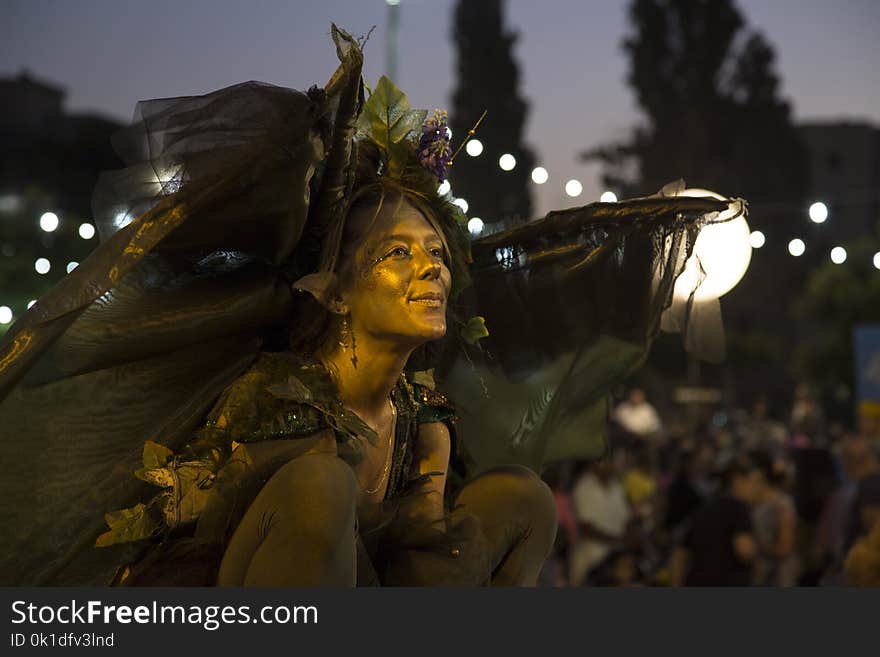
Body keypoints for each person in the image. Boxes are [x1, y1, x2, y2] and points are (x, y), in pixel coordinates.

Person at [0, 26, 744, 586]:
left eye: (437, 254)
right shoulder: (279, 394)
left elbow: (421, 544)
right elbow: (223, 526)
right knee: (323, 485)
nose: (433, 270)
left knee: (520, 495)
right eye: (398, 253)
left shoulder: (424, 410)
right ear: (336, 292)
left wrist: (426, 486)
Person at [670, 457, 759, 586]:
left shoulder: (702, 509)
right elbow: (743, 548)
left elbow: (680, 554)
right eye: (751, 483)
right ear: (738, 481)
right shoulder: (738, 508)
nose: (754, 489)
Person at [749, 450, 799, 586]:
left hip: (779, 575)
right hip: (760, 575)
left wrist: (756, 548)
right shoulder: (753, 503)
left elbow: (785, 546)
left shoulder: (782, 503)